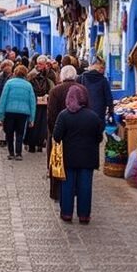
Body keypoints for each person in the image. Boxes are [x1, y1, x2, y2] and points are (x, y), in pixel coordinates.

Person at [52, 84, 104, 224]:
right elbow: (99, 137)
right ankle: (84, 215)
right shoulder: (93, 116)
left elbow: (56, 137)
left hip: (69, 157)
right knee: (85, 186)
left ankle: (67, 213)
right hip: (88, 158)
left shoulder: (63, 115)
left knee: (67, 185)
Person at [46, 65, 79, 201]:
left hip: (58, 133)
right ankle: (74, 191)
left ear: (62, 76)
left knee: (57, 163)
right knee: (74, 164)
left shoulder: (55, 91)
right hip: (77, 134)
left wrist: (54, 133)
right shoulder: (81, 89)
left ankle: (57, 193)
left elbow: (51, 115)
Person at [0, 65, 37, 161]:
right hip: (23, 113)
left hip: (9, 111)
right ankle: (18, 153)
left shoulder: (9, 83)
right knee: (20, 133)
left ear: (15, 72)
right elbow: (32, 102)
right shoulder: (28, 85)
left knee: (9, 133)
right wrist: (32, 118)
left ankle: (11, 153)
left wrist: (0, 116)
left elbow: (3, 99)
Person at [25, 55, 57, 153]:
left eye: (42, 64)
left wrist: (48, 95)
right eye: (38, 64)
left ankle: (40, 143)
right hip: (34, 102)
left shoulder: (50, 73)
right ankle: (31, 144)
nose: (40, 66)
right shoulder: (32, 74)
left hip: (44, 102)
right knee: (33, 123)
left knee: (42, 124)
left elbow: (53, 85)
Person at [0, 58, 14, 148]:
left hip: (6, 102)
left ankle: (6, 139)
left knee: (7, 121)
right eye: (6, 66)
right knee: (1, 120)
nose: (8, 68)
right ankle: (2, 139)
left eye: (9, 66)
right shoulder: (0, 78)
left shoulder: (11, 78)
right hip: (1, 101)